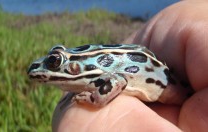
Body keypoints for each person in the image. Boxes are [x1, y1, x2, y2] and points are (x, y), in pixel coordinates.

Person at [52, 1, 208, 131]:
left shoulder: (92, 73)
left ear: (73, 67)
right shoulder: (87, 75)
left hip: (169, 83)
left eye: (54, 62)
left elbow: (118, 80)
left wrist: (95, 99)